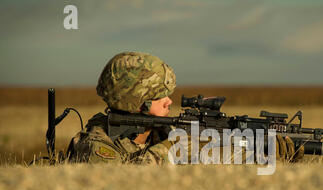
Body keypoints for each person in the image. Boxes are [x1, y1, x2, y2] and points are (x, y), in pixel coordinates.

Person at [67, 51, 303, 164]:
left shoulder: (163, 131)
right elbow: (116, 181)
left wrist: (267, 153)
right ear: (136, 102)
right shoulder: (96, 142)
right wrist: (173, 149)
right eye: (160, 96)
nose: (169, 101)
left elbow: (221, 159)